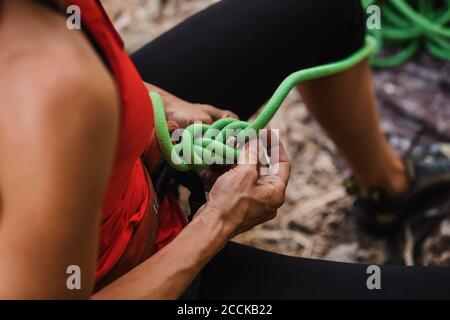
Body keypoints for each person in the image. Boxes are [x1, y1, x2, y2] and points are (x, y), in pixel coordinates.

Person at [0, 0, 449, 299]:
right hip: (142, 276)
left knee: (321, 8)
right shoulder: (48, 94)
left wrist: (148, 99)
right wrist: (216, 223)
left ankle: (387, 189)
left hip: (124, 162)